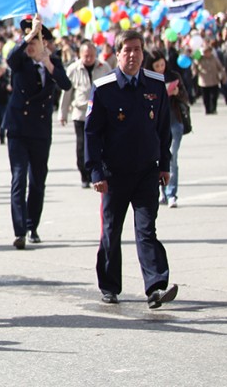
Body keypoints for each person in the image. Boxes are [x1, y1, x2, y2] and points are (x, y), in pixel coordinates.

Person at [85, 30, 178, 309]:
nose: (133, 55)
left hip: (147, 171)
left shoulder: (155, 84)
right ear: (117, 54)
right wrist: (96, 172)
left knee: (146, 229)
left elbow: (163, 128)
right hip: (114, 174)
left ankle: (156, 286)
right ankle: (110, 286)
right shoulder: (104, 88)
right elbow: (92, 134)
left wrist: (164, 164)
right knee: (111, 231)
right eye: (127, 50)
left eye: (137, 49)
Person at [4, 19, 70, 249]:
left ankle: (32, 225)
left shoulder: (53, 63)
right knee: (19, 178)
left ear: (45, 43)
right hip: (18, 129)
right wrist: (28, 35)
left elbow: (65, 84)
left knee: (38, 180)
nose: (31, 45)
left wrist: (48, 63)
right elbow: (11, 58)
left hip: (40, 130)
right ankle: (19, 231)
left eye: (35, 40)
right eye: (28, 41)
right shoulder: (20, 61)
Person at [60, 42, 110, 189]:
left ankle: (98, 172)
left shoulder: (104, 67)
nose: (89, 59)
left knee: (99, 144)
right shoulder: (73, 69)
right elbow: (67, 92)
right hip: (80, 113)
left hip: (99, 113)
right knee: (82, 145)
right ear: (80, 55)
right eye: (86, 56)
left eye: (92, 56)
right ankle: (84, 174)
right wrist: (63, 114)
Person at [146, 51, 187, 208]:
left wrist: (177, 93)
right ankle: (162, 191)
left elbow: (186, 96)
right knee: (158, 157)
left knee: (172, 157)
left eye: (162, 65)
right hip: (156, 123)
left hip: (175, 121)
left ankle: (171, 194)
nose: (160, 68)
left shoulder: (173, 75)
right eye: (157, 66)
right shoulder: (148, 80)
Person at [195, 42, 226, 114]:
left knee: (214, 96)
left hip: (214, 80)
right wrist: (195, 62)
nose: (206, 53)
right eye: (205, 52)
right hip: (204, 81)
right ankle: (207, 109)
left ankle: (213, 109)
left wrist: (223, 76)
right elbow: (195, 67)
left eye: (208, 51)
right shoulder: (200, 59)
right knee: (205, 97)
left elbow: (220, 68)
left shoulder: (214, 58)